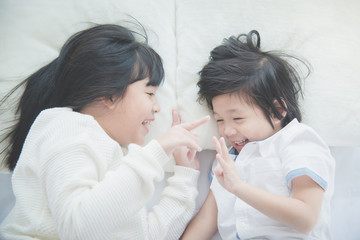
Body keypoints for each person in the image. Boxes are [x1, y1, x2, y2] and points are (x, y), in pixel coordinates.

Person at [0, 23, 210, 240]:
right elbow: (78, 229)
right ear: (110, 94)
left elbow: (145, 235)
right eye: (149, 93)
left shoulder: (118, 157)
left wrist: (186, 175)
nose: (157, 107)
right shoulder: (67, 127)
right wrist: (157, 151)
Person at [181, 30, 335, 240]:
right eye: (219, 120)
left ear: (277, 111)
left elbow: (306, 218)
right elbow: (206, 220)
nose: (227, 130)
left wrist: (240, 188)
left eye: (237, 119)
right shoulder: (225, 160)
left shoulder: (298, 142)